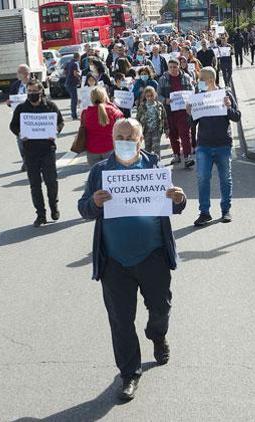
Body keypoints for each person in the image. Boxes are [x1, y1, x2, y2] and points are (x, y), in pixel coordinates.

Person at [77, 118, 187, 401]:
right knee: (121, 321)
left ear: (140, 140)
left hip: (153, 255)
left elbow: (174, 206)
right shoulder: (100, 171)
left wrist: (180, 199)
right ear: (113, 139)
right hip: (115, 261)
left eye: (131, 136)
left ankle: (157, 334)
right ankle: (129, 374)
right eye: (120, 135)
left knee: (160, 308)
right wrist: (94, 204)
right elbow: (84, 209)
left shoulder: (154, 168)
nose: (125, 140)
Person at [186, 67, 241, 226]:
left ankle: (226, 211)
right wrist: (189, 113)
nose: (199, 82)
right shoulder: (198, 97)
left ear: (210, 80)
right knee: (203, 178)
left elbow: (237, 117)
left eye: (201, 79)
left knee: (225, 178)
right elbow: (192, 123)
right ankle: (204, 213)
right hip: (204, 145)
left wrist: (229, 107)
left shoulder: (225, 94)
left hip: (223, 144)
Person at [10, 80, 65, 226]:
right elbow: (13, 125)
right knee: (35, 185)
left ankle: (54, 207)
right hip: (30, 152)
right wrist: (21, 133)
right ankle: (40, 214)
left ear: (41, 92)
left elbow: (60, 122)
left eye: (35, 91)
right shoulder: (22, 108)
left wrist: (55, 131)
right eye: (30, 91)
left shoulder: (50, 106)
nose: (32, 94)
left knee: (51, 182)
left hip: (47, 150)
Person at [158, 59, 195, 167]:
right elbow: (158, 95)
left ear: (179, 67)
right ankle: (176, 155)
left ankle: (187, 156)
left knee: (185, 134)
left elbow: (192, 92)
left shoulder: (186, 77)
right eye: (171, 67)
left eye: (175, 67)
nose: (173, 69)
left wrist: (190, 102)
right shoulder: (163, 79)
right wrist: (165, 100)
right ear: (168, 68)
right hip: (169, 111)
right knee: (172, 134)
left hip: (183, 111)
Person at [84, 86, 124, 166]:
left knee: (96, 176)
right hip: (110, 148)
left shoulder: (85, 112)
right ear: (105, 96)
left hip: (92, 150)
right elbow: (122, 119)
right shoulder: (112, 110)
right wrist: (111, 104)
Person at [8, 64, 32, 170]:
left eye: (19, 72)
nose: (17, 74)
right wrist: (9, 102)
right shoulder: (15, 85)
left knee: (32, 141)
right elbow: (11, 100)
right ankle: (25, 160)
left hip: (32, 117)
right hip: (19, 118)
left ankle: (33, 160)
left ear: (26, 74)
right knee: (20, 140)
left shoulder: (35, 84)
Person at [136, 86, 167, 157]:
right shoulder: (142, 106)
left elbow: (164, 117)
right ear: (145, 96)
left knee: (156, 148)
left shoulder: (159, 105)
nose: (149, 98)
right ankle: (149, 165)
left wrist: (166, 129)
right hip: (146, 131)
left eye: (151, 95)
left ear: (155, 95)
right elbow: (137, 119)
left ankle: (157, 163)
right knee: (147, 148)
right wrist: (138, 132)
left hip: (156, 130)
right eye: (147, 96)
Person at [64, 53, 82, 120]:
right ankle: (74, 115)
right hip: (72, 83)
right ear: (78, 57)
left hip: (67, 83)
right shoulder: (75, 63)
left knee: (73, 99)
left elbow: (64, 72)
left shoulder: (68, 63)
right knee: (74, 100)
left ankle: (74, 113)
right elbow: (75, 73)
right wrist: (80, 77)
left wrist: (68, 76)